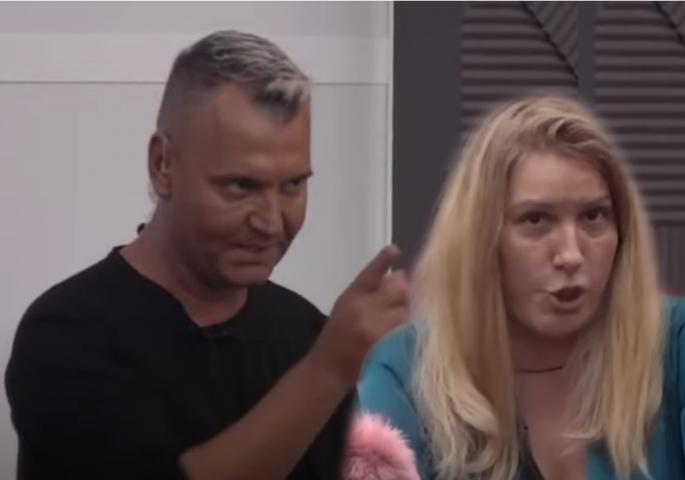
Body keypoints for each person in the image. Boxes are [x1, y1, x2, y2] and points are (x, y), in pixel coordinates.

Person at [6, 30, 409, 480]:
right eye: (241, 186)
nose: (271, 223)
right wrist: (327, 371)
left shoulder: (307, 333)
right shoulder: (66, 335)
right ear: (163, 165)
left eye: (293, 185)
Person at [357, 95, 685, 480]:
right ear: (481, 239)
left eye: (594, 216)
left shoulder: (674, 343)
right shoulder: (405, 373)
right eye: (536, 220)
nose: (570, 254)